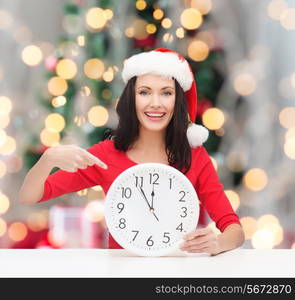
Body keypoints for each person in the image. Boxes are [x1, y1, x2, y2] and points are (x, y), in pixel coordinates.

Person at [19, 48, 245, 255]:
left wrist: (219, 243)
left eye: (166, 93)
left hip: (177, 273)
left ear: (177, 101)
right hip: (122, 274)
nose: (155, 103)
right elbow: (29, 196)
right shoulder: (106, 155)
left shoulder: (194, 156)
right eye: (145, 92)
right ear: (131, 99)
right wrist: (48, 159)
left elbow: (234, 228)